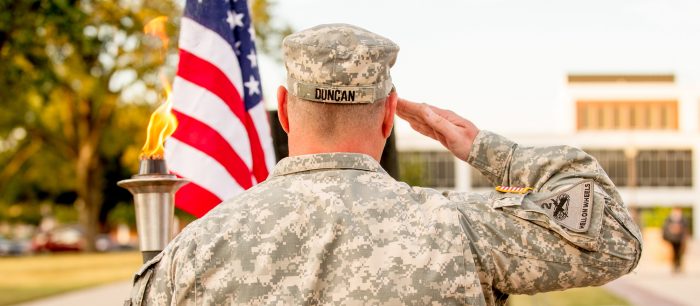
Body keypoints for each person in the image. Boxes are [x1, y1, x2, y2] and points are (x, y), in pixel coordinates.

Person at [126, 24, 642, 305]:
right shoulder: (460, 229)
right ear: (390, 116)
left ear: (283, 109)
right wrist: (485, 148)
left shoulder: (193, 250)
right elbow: (613, 238)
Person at [662, 207, 689, 273]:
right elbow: (665, 228)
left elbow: (685, 229)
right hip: (673, 239)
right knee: (674, 253)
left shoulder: (683, 219)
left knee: (680, 253)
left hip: (680, 239)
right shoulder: (669, 219)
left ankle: (679, 265)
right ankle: (674, 266)